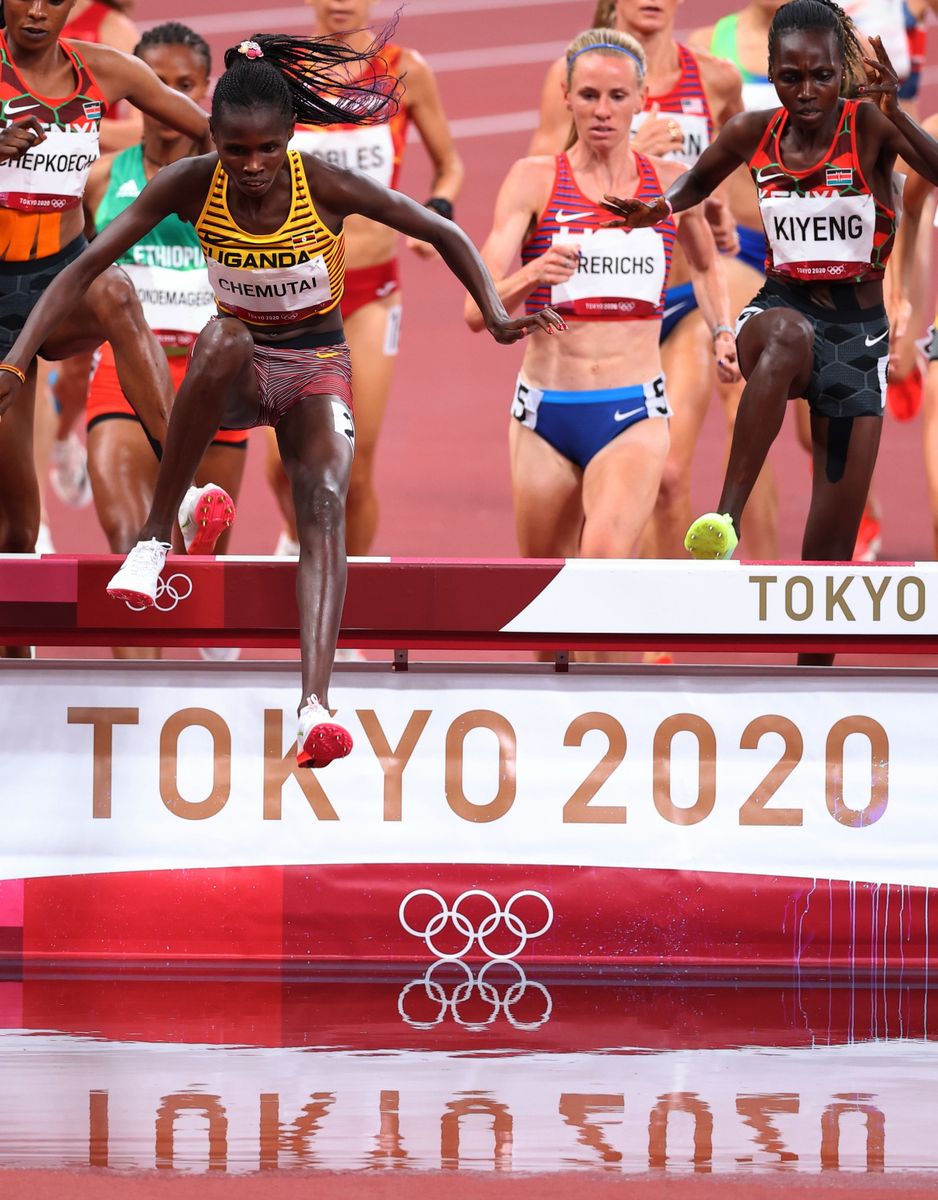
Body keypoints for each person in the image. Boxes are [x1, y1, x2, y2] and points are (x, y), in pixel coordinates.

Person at [0, 29, 562, 766]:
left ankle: (314, 705)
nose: (253, 166)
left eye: (267, 149)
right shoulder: (192, 183)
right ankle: (155, 536)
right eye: (236, 150)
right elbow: (84, 269)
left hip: (314, 367)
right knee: (223, 337)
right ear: (217, 141)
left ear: (290, 139)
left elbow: (435, 228)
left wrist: (492, 312)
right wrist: (14, 362)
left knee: (322, 498)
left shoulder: (323, 185)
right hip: (237, 373)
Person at [603, 0, 938, 666]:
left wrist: (896, 111)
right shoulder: (753, 133)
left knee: (826, 561)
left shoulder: (870, 129)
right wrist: (653, 208)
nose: (807, 92)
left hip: (858, 337)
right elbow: (693, 185)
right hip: (778, 308)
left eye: (820, 75)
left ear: (840, 73)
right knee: (784, 335)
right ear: (772, 74)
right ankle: (724, 519)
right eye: (791, 77)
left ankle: (812, 675)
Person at [465, 30, 738, 580]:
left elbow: (707, 266)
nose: (602, 111)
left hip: (633, 411)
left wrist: (723, 331)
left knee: (604, 569)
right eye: (588, 95)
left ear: (641, 100)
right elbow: (477, 311)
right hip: (545, 413)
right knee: (543, 596)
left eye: (617, 97)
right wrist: (534, 273)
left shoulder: (668, 187)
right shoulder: (533, 181)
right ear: (566, 96)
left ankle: (621, 660)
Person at [529, 1, 767, 565]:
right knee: (597, 488)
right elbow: (539, 176)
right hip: (596, 305)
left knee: (669, 476)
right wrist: (631, 150)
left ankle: (659, 644)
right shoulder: (575, 74)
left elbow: (733, 159)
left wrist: (717, 206)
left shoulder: (715, 76)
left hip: (679, 299)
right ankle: (597, 630)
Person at [0, 0, 212, 574]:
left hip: (63, 277)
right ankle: (16, 656)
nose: (38, 11)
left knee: (116, 291)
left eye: (54, 0)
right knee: (15, 529)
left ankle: (185, 492)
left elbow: (210, 131)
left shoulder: (105, 69)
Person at [266, 0, 464, 559]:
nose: (339, 5)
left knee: (355, 464)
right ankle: (297, 534)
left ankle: (348, 595)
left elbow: (449, 164)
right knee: (282, 471)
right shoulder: (278, 72)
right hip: (291, 294)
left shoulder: (406, 71)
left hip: (372, 292)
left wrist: (437, 211)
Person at [82, 21, 246, 661]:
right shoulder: (101, 181)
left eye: (182, 86)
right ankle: (138, 736)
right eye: (152, 85)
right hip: (120, 379)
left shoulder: (237, 182)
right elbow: (75, 275)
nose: (164, 99)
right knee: (130, 547)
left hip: (214, 389)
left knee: (200, 573)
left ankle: (207, 670)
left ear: (203, 91)